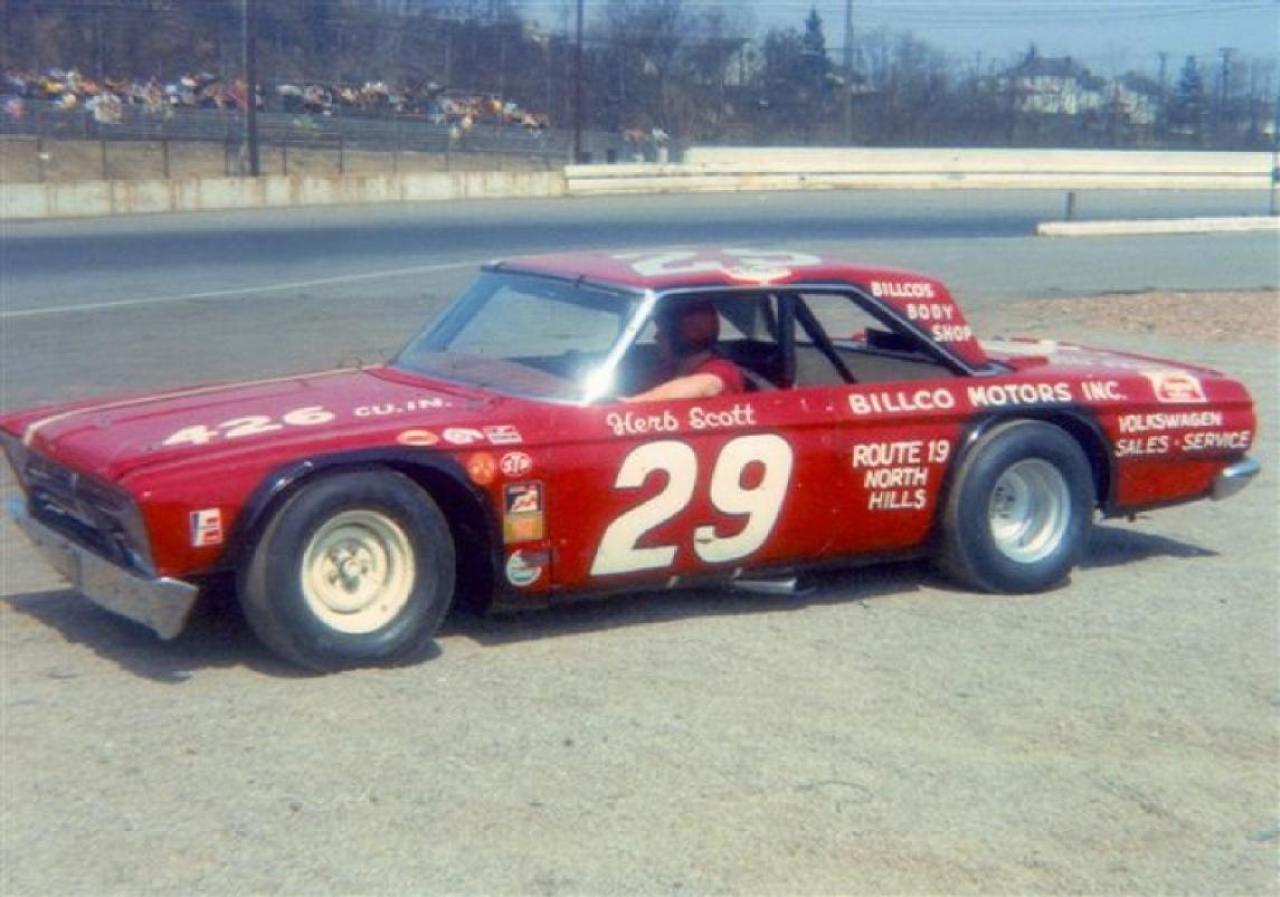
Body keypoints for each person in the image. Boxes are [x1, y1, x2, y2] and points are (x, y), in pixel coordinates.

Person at [623, 301, 744, 402]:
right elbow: (633, 382)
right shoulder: (670, 369)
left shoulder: (722, 370)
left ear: (682, 335)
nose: (656, 336)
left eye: (663, 330)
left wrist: (633, 402)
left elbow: (706, 386)